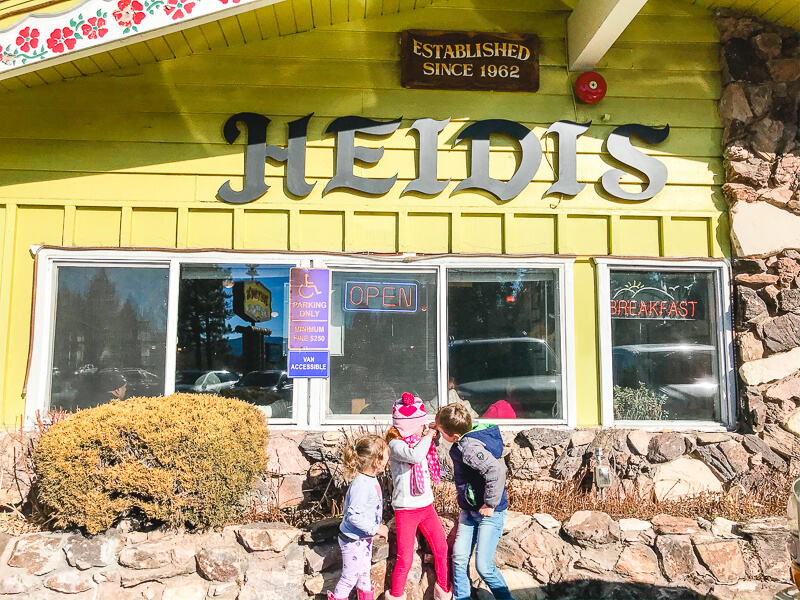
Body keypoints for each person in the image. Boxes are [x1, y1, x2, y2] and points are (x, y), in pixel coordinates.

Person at [434, 403, 513, 600]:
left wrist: (490, 503)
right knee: (459, 558)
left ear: (454, 436)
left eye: (440, 431)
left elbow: (496, 470)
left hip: (489, 512)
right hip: (469, 511)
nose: (439, 434)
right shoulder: (465, 435)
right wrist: (435, 428)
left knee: (484, 566)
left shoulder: (469, 448)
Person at [385, 393, 452, 600]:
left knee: (441, 548)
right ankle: (396, 595)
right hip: (406, 509)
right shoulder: (396, 445)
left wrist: (435, 429)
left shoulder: (420, 441)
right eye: (420, 424)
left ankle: (443, 589)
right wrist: (427, 434)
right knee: (404, 558)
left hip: (426, 506)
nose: (424, 427)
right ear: (409, 425)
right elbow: (415, 455)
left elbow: (427, 445)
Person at [328, 435, 390, 600]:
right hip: (353, 540)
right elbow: (353, 515)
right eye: (386, 456)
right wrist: (376, 528)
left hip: (362, 538)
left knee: (363, 576)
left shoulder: (370, 480)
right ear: (377, 462)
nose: (388, 459)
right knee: (349, 577)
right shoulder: (361, 485)